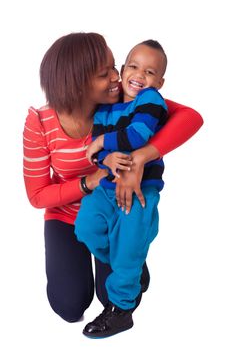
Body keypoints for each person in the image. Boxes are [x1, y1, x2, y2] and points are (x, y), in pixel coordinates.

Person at [23, 32, 203, 328]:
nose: (117, 78)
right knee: (69, 307)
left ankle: (129, 257)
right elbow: (38, 196)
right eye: (104, 73)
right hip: (68, 215)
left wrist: (140, 158)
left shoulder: (126, 100)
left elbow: (191, 117)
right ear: (78, 83)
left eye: (114, 67)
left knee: (116, 295)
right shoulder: (41, 122)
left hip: (117, 206)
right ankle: (124, 255)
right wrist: (89, 182)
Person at [74, 40, 169, 338]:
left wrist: (103, 144)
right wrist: (105, 154)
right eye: (134, 66)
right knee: (86, 227)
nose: (141, 75)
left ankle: (121, 310)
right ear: (122, 70)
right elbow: (97, 155)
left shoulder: (151, 101)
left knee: (128, 245)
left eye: (151, 72)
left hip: (141, 190)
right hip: (107, 187)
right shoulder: (104, 111)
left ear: (160, 82)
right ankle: (134, 265)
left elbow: (139, 135)